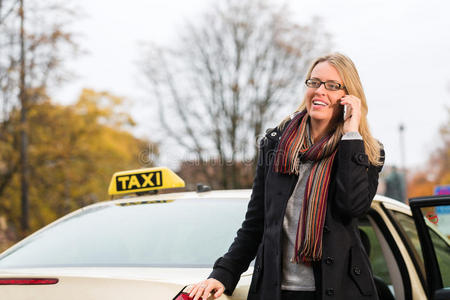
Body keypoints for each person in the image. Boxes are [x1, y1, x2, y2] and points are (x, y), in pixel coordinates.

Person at [188, 53, 384, 300]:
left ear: (349, 96)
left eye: (333, 86)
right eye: (314, 82)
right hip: (276, 292)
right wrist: (223, 273)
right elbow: (256, 224)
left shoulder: (363, 151)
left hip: (337, 292)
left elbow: (352, 207)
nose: (320, 91)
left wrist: (351, 136)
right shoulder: (275, 146)